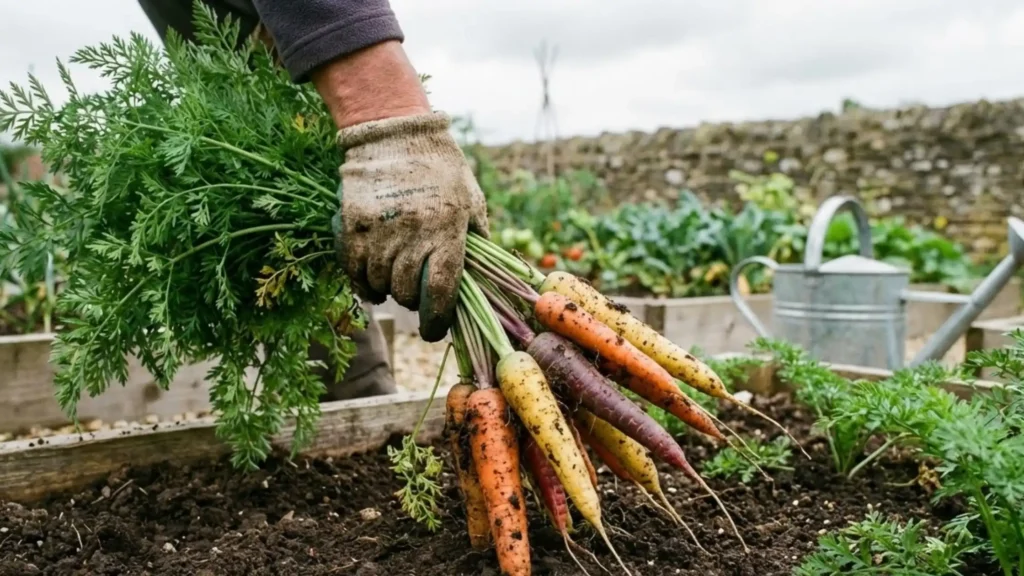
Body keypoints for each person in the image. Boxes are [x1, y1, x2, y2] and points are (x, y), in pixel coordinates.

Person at [138, 0, 490, 401]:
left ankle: (356, 395)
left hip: (250, 47)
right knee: (259, 165)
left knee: (270, 148)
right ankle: (352, 400)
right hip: (240, 47)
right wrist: (386, 118)